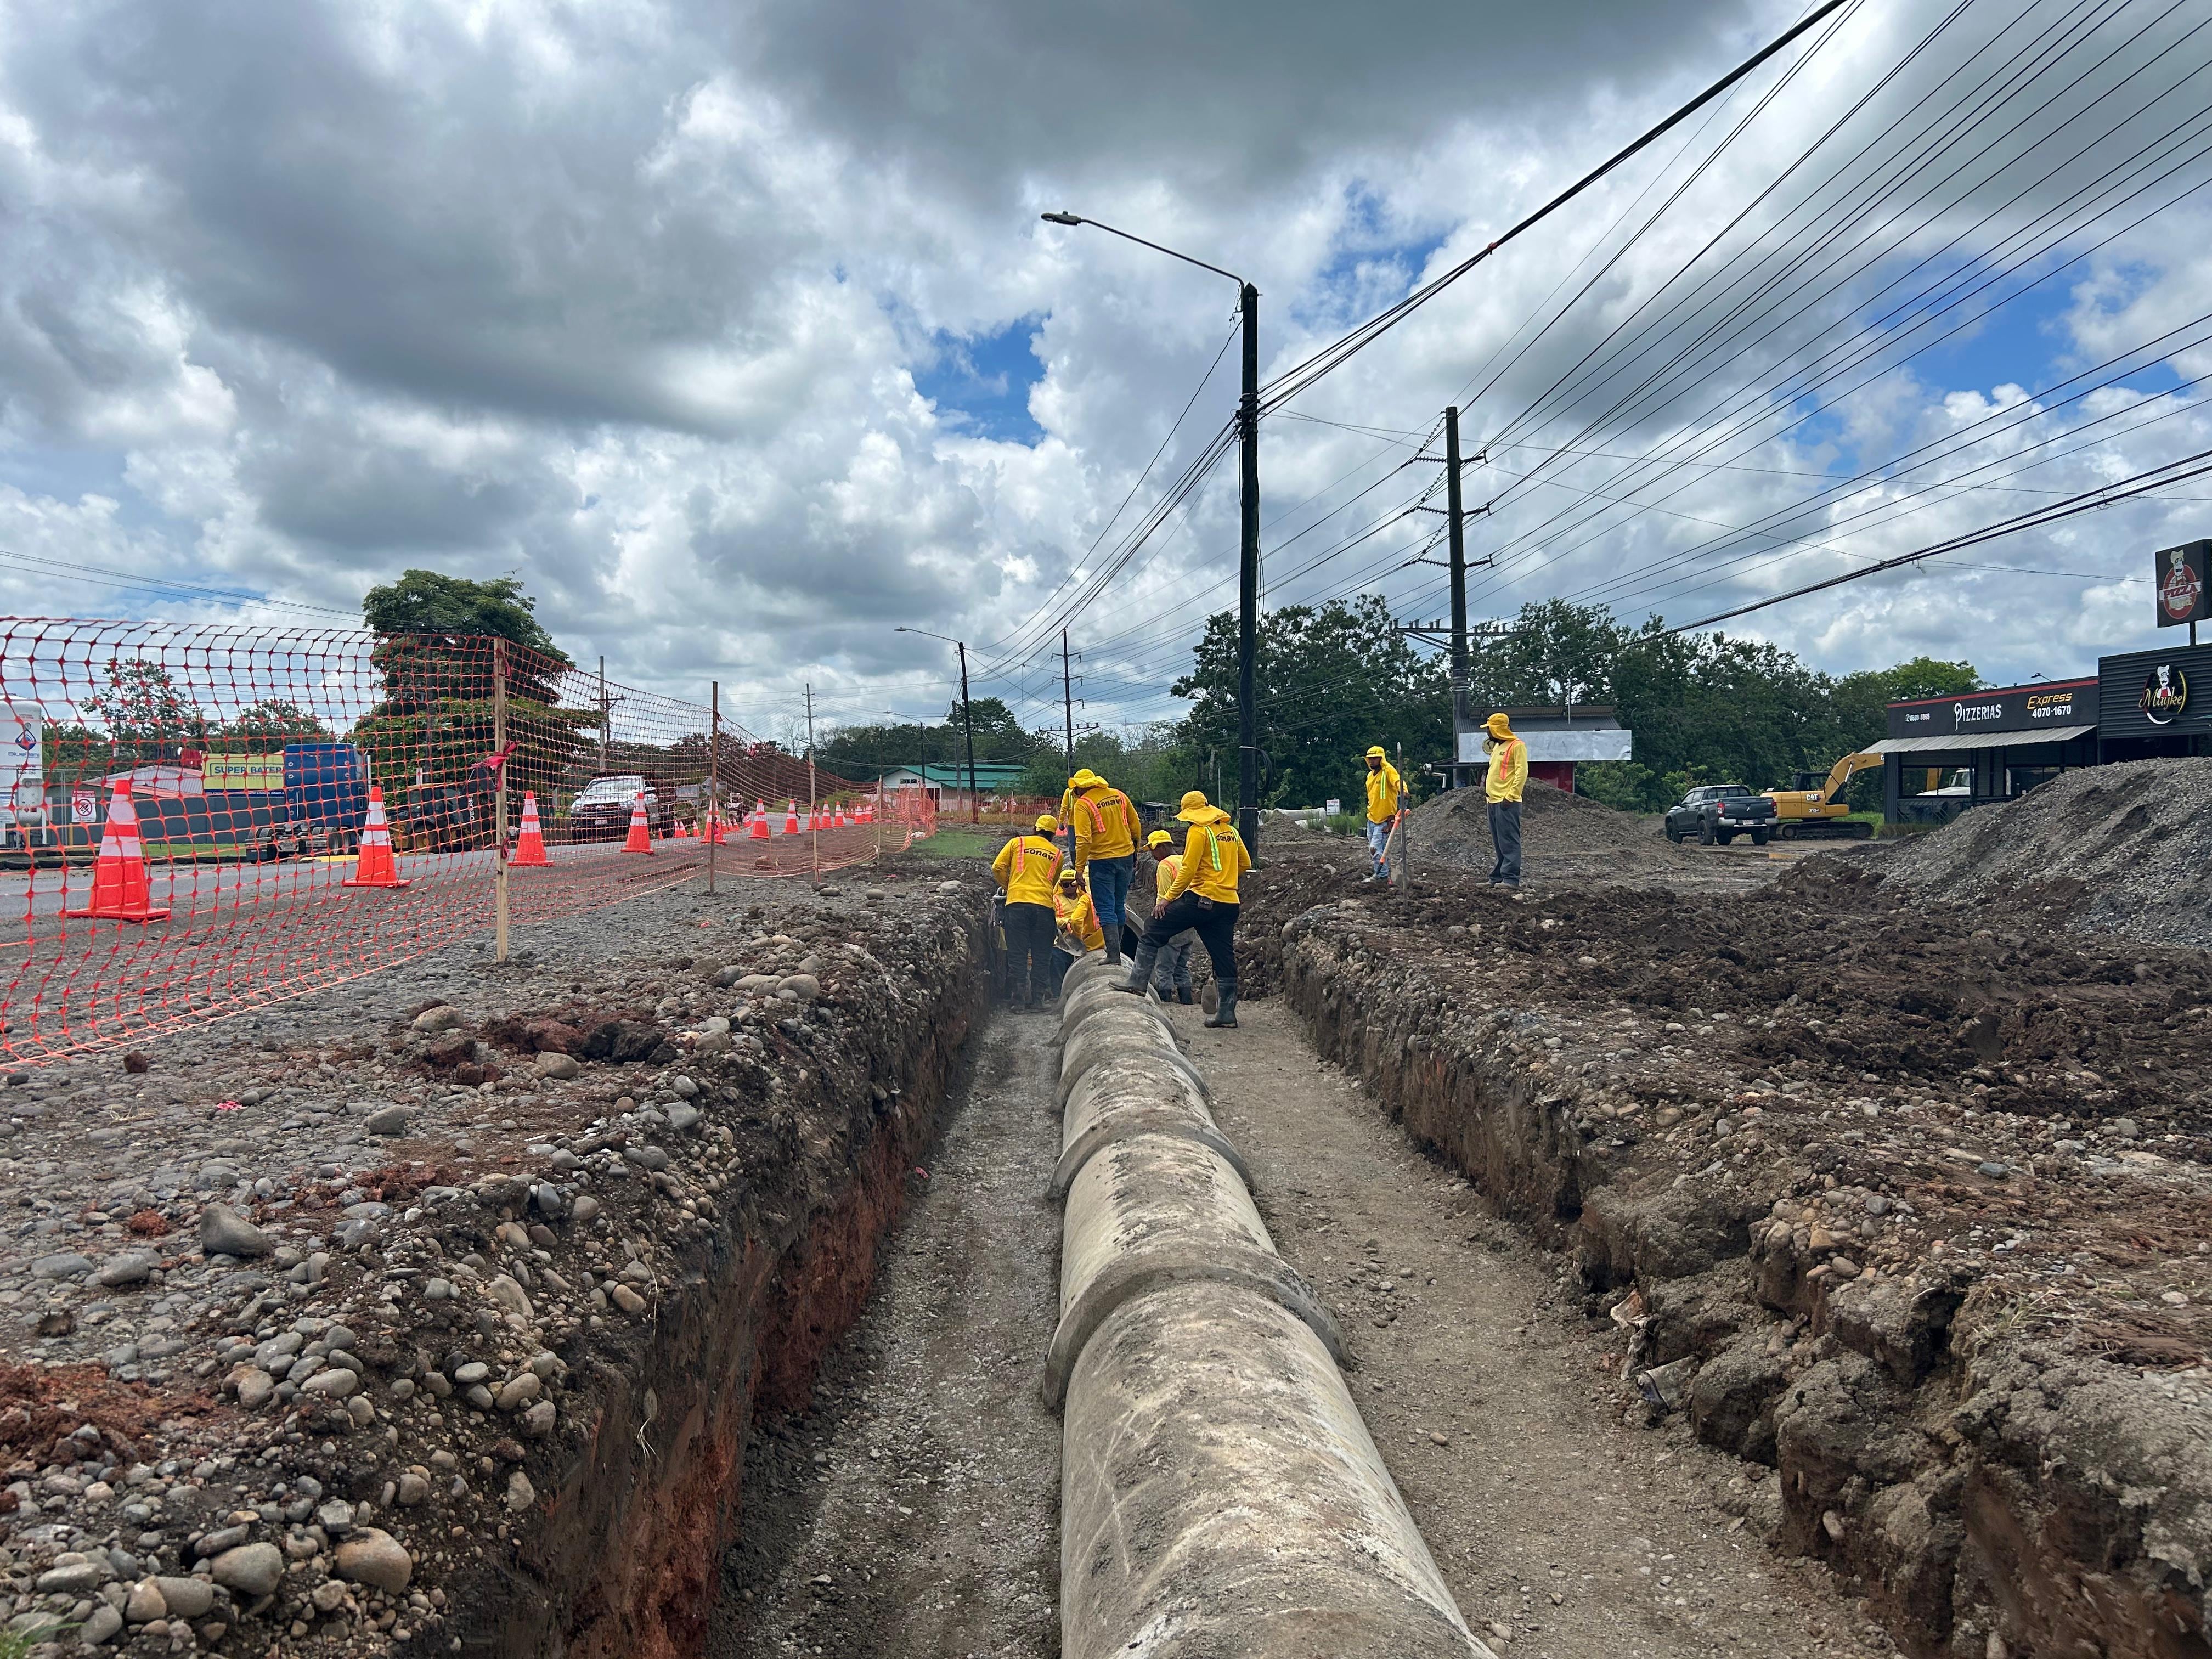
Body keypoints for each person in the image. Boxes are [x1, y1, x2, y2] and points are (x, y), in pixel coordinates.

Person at [1114, 790, 1249, 1029]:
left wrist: (1167, 899)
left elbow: (1188, 870)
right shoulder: (1231, 831)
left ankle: (1138, 982)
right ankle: (1227, 1013)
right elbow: (1245, 863)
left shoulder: (1198, 831)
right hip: (1229, 903)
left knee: (1153, 927)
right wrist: (1225, 881)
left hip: (1202, 900)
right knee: (1223, 956)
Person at [1067, 766, 1142, 964]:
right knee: (1119, 904)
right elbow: (1135, 826)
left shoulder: (1083, 804)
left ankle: (1113, 955)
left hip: (1102, 862)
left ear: (1080, 788)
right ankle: (1116, 951)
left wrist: (1079, 869)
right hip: (1126, 857)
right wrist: (1136, 851)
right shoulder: (1119, 795)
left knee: (1105, 907)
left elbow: (1083, 839)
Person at [990, 814, 1064, 1012]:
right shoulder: (1057, 854)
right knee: (1042, 955)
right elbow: (1053, 881)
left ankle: (1018, 1002)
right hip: (1044, 908)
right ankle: (1038, 1000)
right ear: (1052, 835)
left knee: (1018, 953)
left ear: (1035, 829)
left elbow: (997, 867)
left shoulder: (1018, 843)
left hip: (1017, 906)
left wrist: (1011, 887)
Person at [1144, 827, 1195, 1004]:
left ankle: (1166, 1004)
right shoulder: (1185, 860)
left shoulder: (1165, 865)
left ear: (1163, 847)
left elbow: (1163, 896)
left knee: (1164, 968)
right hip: (1191, 921)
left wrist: (1156, 923)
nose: (1152, 855)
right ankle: (1187, 1003)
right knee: (1182, 967)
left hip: (1172, 923)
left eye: (1153, 850)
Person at [1483, 711, 1528, 887]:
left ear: (1498, 729)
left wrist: (1511, 795)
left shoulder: (1517, 746)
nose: (1487, 732)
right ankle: (1497, 877)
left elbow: (1521, 772)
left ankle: (1511, 879)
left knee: (1509, 841)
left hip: (1506, 801)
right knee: (1500, 843)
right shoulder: (1497, 748)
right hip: (1493, 801)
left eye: (1490, 729)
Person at [1362, 745, 1402, 882]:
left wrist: (1404, 790)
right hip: (1372, 818)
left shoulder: (1388, 771)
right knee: (1377, 850)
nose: (1372, 761)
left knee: (1375, 849)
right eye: (1370, 759)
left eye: (1375, 758)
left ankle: (1382, 876)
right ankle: (1381, 874)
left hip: (1384, 820)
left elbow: (1398, 781)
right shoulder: (1370, 776)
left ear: (1381, 758)